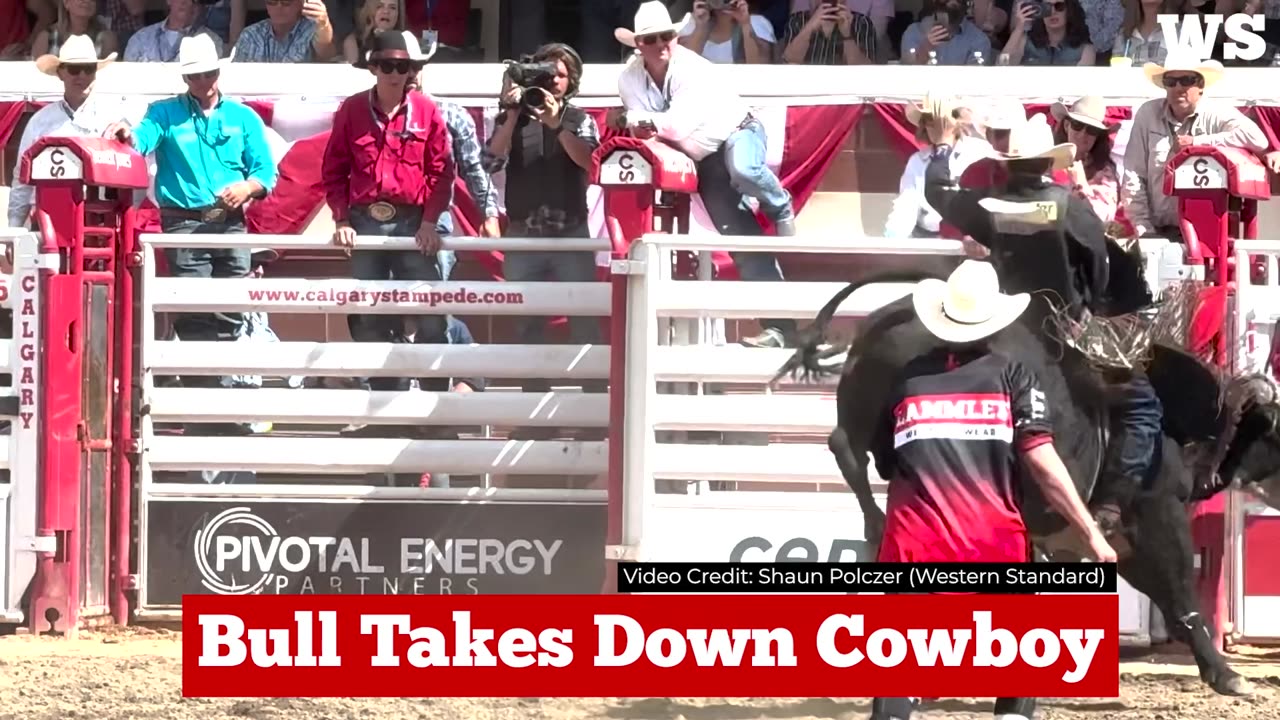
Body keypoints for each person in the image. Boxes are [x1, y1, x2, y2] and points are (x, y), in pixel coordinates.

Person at [867, 260, 1118, 720]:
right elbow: (1042, 462)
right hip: (991, 546)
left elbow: (887, 461)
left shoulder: (905, 381)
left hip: (913, 550)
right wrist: (1092, 534)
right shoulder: (1014, 375)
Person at [918, 102, 1158, 540]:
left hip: (998, 329)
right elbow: (1100, 272)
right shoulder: (1071, 208)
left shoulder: (987, 205)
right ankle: (1110, 502)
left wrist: (940, 146)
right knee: (1144, 407)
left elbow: (938, 193)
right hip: (1063, 337)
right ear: (1051, 161)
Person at [109, 33, 278, 436]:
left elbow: (265, 172)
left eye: (206, 73)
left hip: (229, 219)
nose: (201, 81)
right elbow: (142, 136)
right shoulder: (164, 113)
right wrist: (127, 134)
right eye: (194, 76)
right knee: (195, 309)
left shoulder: (244, 117)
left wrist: (247, 188)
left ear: (217, 71)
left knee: (231, 310)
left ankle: (216, 405)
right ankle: (209, 407)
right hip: (183, 220)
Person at [608, 0, 797, 348]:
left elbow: (670, 127)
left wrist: (638, 120)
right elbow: (648, 129)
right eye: (652, 38)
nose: (662, 43)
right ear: (639, 44)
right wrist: (643, 123)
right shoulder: (629, 78)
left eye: (667, 36)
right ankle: (781, 326)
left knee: (744, 169)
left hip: (736, 131)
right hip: (703, 156)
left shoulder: (688, 68)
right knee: (738, 238)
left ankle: (780, 203)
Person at [322, 29, 456, 439]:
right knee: (369, 315)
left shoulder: (428, 111)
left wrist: (431, 221)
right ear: (373, 68)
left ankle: (434, 410)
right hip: (364, 220)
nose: (395, 73)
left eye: (403, 66)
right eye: (387, 65)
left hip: (415, 222)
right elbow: (334, 168)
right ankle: (386, 409)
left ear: (412, 70)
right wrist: (342, 219)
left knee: (432, 312)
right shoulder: (350, 111)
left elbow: (442, 171)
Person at [482, 41, 605, 395]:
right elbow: (489, 164)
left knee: (583, 320)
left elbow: (590, 164)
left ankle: (593, 407)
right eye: (545, 72)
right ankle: (533, 409)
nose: (552, 81)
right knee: (527, 323)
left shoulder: (579, 119)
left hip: (570, 231)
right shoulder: (514, 117)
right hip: (523, 234)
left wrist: (555, 123)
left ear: (571, 82)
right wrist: (511, 112)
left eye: (560, 75)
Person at [1121, 52, 1268, 240]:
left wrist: (1198, 142)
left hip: (1207, 234)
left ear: (1200, 85)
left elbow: (1257, 139)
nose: (1178, 87)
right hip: (1157, 231)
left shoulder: (1216, 112)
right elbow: (1133, 174)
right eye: (1171, 81)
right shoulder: (1148, 114)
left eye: (1186, 80)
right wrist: (1143, 229)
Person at [9, 36, 141, 229]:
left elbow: (135, 166)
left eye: (88, 69)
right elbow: (22, 176)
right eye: (74, 69)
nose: (82, 76)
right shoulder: (40, 122)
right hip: (48, 220)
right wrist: (15, 227)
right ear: (61, 73)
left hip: (102, 219)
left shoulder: (116, 118)